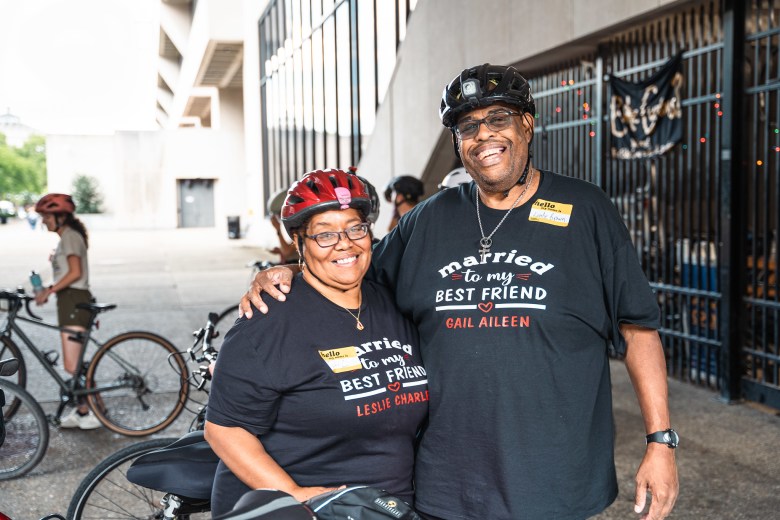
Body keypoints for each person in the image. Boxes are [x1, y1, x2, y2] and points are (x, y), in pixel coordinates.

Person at [240, 64, 679, 519]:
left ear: (527, 124)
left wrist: (660, 442)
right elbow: (351, 274)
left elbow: (637, 328)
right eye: (468, 126)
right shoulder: (428, 219)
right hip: (447, 484)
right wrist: (291, 269)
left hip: (556, 480)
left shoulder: (586, 209)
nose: (483, 136)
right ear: (457, 143)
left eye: (498, 119)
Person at [204, 169, 428, 516]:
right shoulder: (268, 321)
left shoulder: (392, 303)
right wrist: (296, 494)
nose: (345, 244)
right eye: (324, 234)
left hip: (383, 508)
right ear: (299, 242)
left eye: (356, 228)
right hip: (297, 509)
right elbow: (224, 430)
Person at [34, 193, 100, 430]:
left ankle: (91, 412)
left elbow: (74, 272)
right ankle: (85, 410)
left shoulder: (70, 237)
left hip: (73, 300)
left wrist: (49, 290)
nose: (43, 221)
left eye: (46, 216)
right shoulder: (68, 238)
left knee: (72, 364)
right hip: (70, 301)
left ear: (61, 216)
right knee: (76, 363)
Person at [266, 188, 299, 264]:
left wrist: (278, 229)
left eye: (279, 213)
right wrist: (280, 250)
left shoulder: (300, 228)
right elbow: (291, 250)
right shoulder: (295, 227)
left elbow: (287, 252)